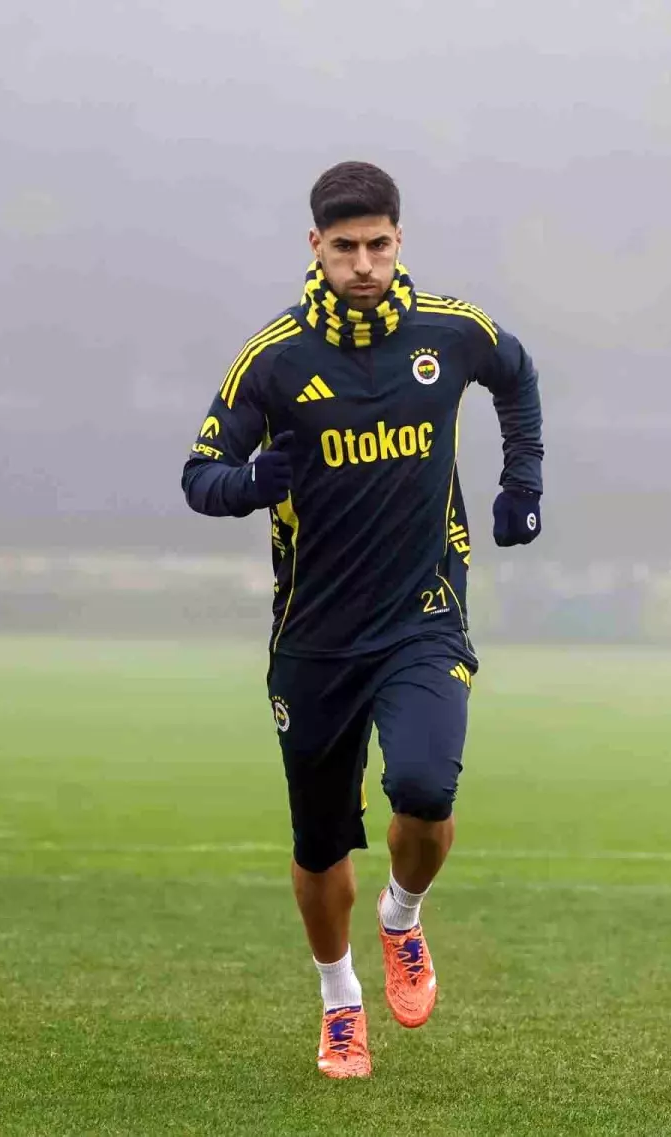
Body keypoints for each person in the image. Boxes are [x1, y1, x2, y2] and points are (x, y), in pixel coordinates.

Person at [181, 162, 544, 1078]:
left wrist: (523, 482)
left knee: (425, 788)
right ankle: (339, 999)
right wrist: (248, 485)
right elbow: (199, 474)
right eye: (345, 247)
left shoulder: (448, 334)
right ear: (316, 248)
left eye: (379, 244)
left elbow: (517, 372)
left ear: (399, 240)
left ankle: (402, 918)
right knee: (316, 843)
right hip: (313, 640)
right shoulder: (273, 359)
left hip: (422, 615)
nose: (365, 263)